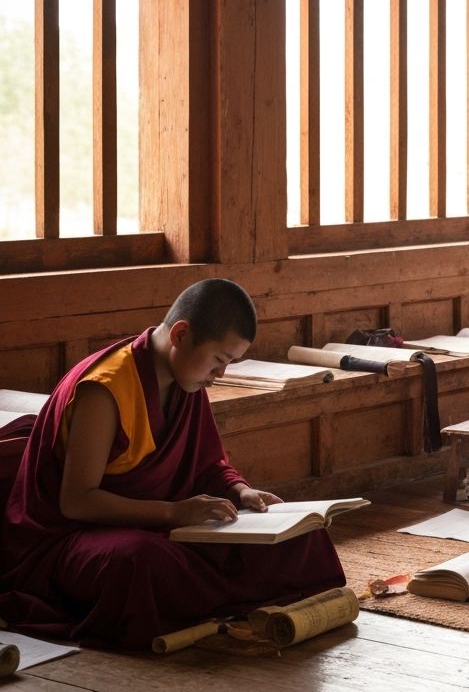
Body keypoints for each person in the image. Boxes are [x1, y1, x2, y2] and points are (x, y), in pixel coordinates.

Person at [0, 278, 346, 649]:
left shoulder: (185, 380)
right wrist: (172, 513)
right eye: (219, 360)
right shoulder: (104, 390)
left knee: (303, 536)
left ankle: (210, 607)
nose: (221, 375)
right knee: (139, 562)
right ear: (181, 335)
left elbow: (207, 464)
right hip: (70, 539)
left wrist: (240, 490)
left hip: (166, 525)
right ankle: (230, 603)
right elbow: (77, 501)